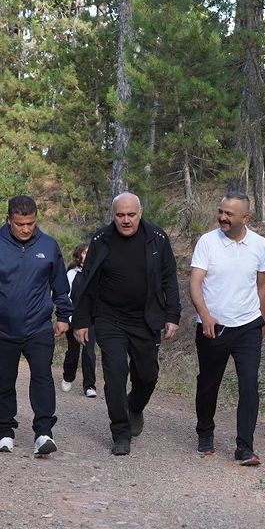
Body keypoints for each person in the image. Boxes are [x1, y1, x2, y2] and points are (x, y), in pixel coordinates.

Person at [72, 192, 181, 456]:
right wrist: (82, 320)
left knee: (148, 374)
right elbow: (88, 282)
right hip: (109, 318)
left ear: (140, 214)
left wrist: (172, 315)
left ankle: (134, 407)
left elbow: (169, 278)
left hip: (146, 317)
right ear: (114, 215)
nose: (126, 220)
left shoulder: (157, 238)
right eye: (120, 215)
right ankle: (120, 432)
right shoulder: (101, 239)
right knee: (115, 372)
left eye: (131, 214)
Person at [0, 195, 72, 455]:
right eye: (19, 224)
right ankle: (5, 431)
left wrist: (63, 315)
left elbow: (60, 285)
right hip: (2, 328)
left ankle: (44, 432)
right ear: (8, 220)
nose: (26, 229)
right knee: (4, 380)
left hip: (38, 326)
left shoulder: (48, 246)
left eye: (31, 223)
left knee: (42, 377)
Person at [189, 192, 265, 466]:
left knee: (249, 385)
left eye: (229, 214)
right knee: (209, 382)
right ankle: (205, 432)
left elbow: (263, 285)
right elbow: (195, 283)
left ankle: (244, 447)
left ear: (245, 218)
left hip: (248, 325)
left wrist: (262, 321)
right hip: (215, 327)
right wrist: (205, 316)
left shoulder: (259, 244)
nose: (222, 217)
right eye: (221, 212)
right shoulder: (207, 242)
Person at [61, 242, 97, 397]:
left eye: (90, 252)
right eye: (84, 252)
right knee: (73, 352)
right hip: (74, 319)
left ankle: (89, 385)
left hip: (91, 320)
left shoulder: (96, 273)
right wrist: (67, 318)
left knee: (89, 352)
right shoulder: (71, 274)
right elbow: (66, 297)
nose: (87, 255)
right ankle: (68, 376)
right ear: (79, 255)